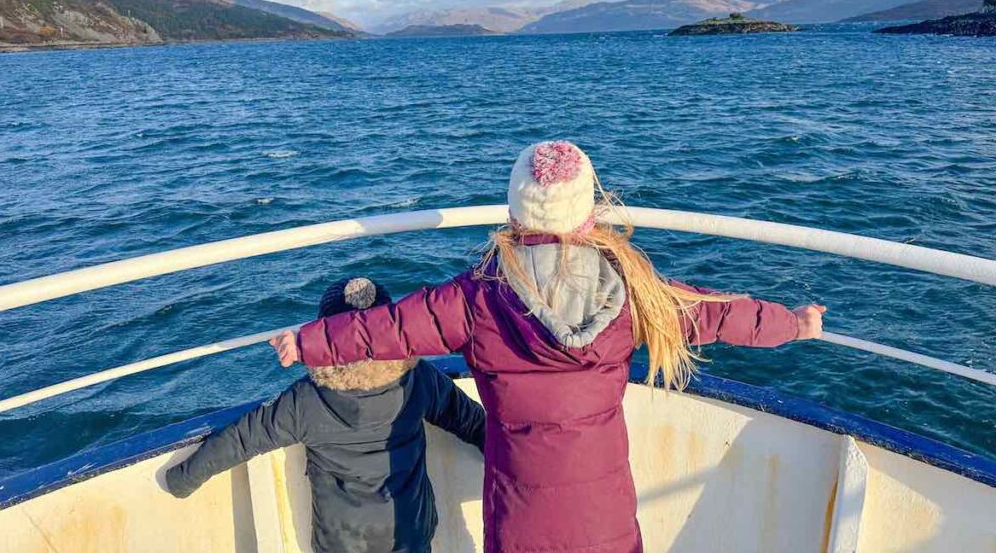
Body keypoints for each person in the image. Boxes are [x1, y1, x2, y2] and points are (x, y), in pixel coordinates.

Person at [270, 142, 826, 553]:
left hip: (521, 516)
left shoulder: (475, 297)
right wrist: (792, 324)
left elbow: (389, 326)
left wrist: (310, 341)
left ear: (512, 216)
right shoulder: (634, 290)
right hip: (603, 514)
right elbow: (717, 311)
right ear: (589, 215)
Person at [163, 276, 486, 553]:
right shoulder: (418, 380)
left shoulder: (306, 400)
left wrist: (182, 479)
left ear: (323, 336)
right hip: (411, 532)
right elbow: (472, 422)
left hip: (342, 543)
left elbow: (242, 439)